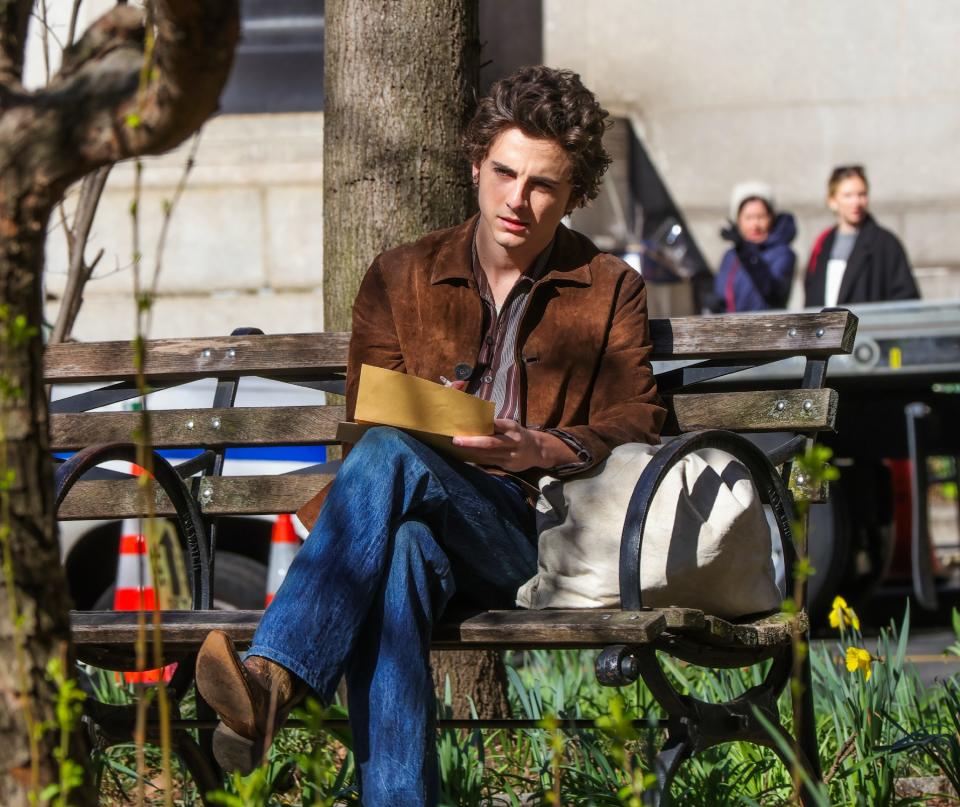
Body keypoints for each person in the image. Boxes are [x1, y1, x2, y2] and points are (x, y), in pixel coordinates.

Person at [194, 65, 665, 805]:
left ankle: (275, 679)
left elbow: (638, 418)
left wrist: (539, 446)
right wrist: (440, 415)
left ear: (573, 193)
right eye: (505, 172)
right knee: (402, 550)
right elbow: (370, 407)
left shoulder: (609, 287)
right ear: (475, 163)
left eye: (543, 184)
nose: (518, 198)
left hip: (531, 530)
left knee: (389, 459)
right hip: (413, 520)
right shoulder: (400, 275)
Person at [805, 165, 919, 307]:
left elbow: (906, 297)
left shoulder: (885, 243)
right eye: (848, 195)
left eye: (862, 194)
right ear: (832, 201)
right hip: (829, 327)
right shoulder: (823, 242)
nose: (856, 202)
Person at [713, 181, 796, 312]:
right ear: (738, 220)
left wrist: (745, 251)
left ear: (771, 218)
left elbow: (773, 291)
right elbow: (720, 295)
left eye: (761, 217)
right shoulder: (731, 255)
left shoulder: (783, 253)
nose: (755, 224)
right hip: (732, 329)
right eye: (749, 217)